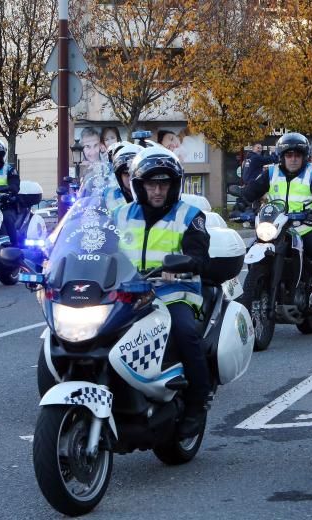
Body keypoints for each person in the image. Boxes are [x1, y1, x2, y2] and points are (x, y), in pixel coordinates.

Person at [112, 145, 213, 439]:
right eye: (151, 184)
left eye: (164, 184)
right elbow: (98, 246)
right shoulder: (120, 215)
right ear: (139, 186)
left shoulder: (190, 216)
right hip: (129, 292)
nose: (158, 191)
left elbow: (200, 257)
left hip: (174, 292)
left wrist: (183, 265)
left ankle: (198, 402)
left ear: (174, 185)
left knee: (185, 332)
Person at [239, 132, 312, 282]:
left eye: (298, 155)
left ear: (304, 156)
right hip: (275, 227)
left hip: (304, 226)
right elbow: (252, 191)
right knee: (252, 249)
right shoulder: (271, 173)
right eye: (289, 155)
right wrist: (241, 205)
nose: (293, 159)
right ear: (282, 157)